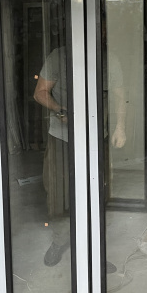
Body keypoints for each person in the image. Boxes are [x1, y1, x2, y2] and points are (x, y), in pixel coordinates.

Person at [34, 45, 126, 267]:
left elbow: (120, 96)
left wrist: (120, 127)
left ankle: (95, 247)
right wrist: (59, 110)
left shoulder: (109, 59)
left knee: (97, 190)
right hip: (61, 137)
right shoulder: (59, 57)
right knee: (58, 192)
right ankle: (60, 240)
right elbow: (40, 92)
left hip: (96, 136)